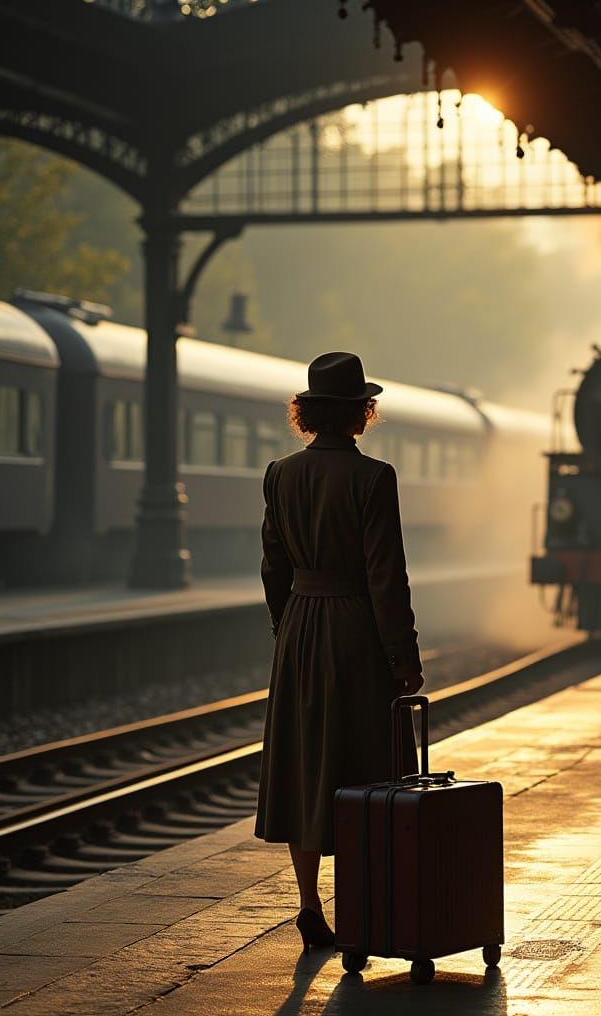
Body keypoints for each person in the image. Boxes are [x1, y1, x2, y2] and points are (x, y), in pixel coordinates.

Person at [254, 351, 424, 950]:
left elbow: (273, 567)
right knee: (366, 770)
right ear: (360, 413)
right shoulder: (374, 478)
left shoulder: (279, 474)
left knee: (304, 769)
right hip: (356, 633)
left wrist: (288, 631)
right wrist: (403, 659)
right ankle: (358, 907)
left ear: (307, 414)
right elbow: (386, 577)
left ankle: (309, 906)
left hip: (301, 626)